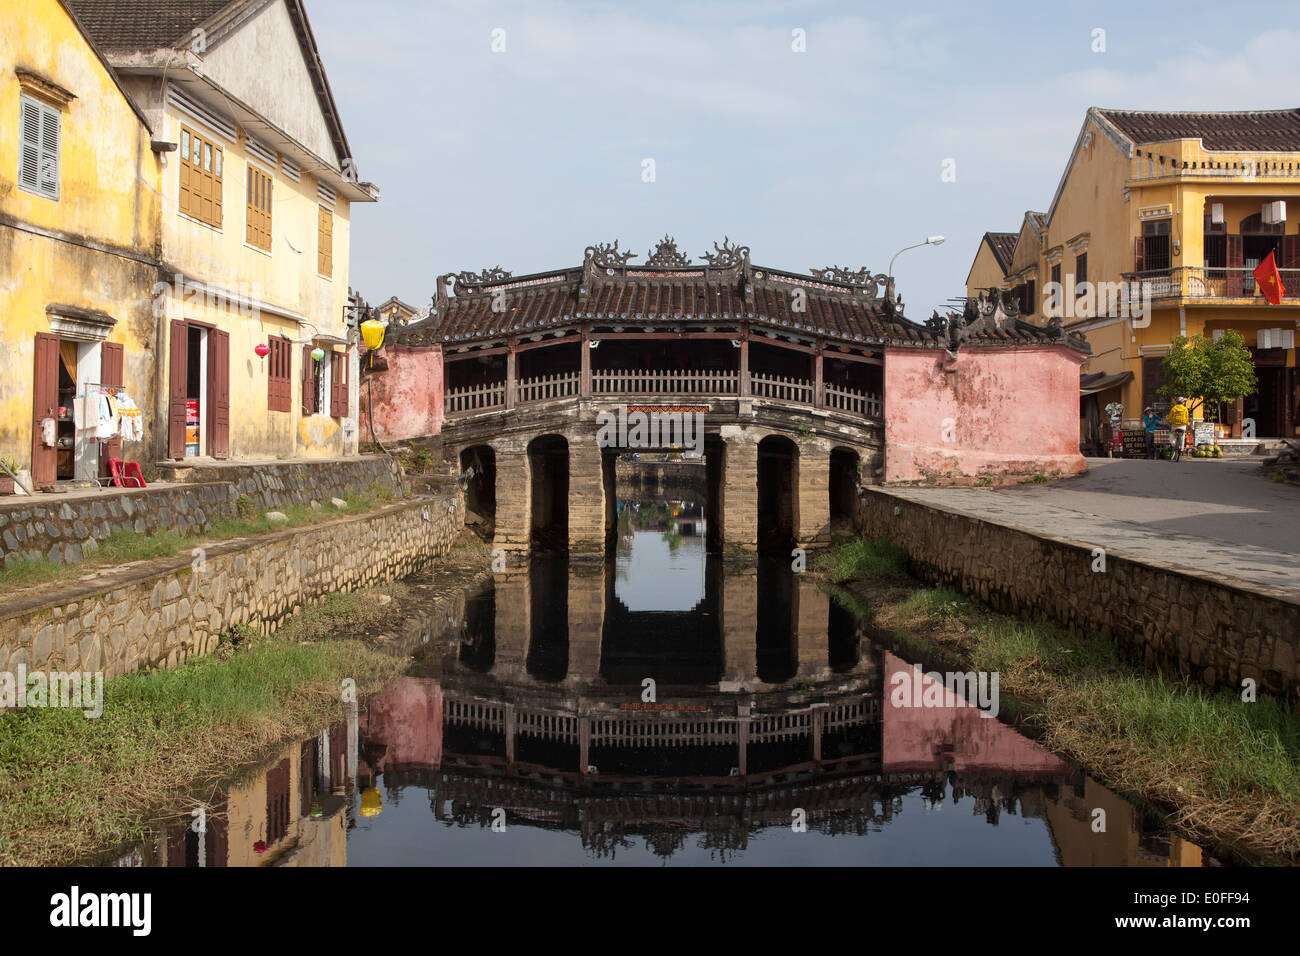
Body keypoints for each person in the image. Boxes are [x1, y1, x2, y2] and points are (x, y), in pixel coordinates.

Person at [1168, 397, 1190, 462]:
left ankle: (1173, 444)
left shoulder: (1174, 408)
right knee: (1182, 436)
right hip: (1183, 426)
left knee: (1172, 435)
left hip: (1174, 425)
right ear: (1182, 402)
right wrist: (1187, 423)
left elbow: (1170, 417)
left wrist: (1168, 420)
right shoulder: (1185, 409)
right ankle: (1181, 448)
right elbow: (1187, 417)